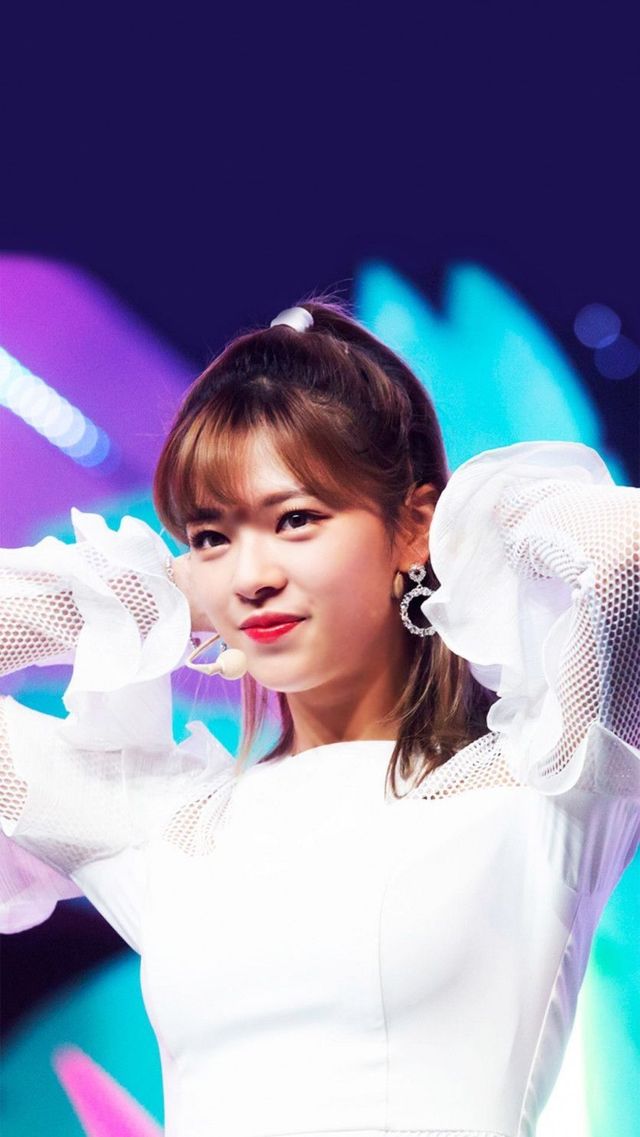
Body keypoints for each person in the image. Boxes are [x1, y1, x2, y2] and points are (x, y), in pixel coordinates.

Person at [0, 297, 638, 1137]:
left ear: (413, 525)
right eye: (212, 534)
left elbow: (623, 558)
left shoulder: (543, 780)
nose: (251, 575)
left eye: (295, 519)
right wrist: (154, 595)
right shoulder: (160, 821)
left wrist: (465, 532)